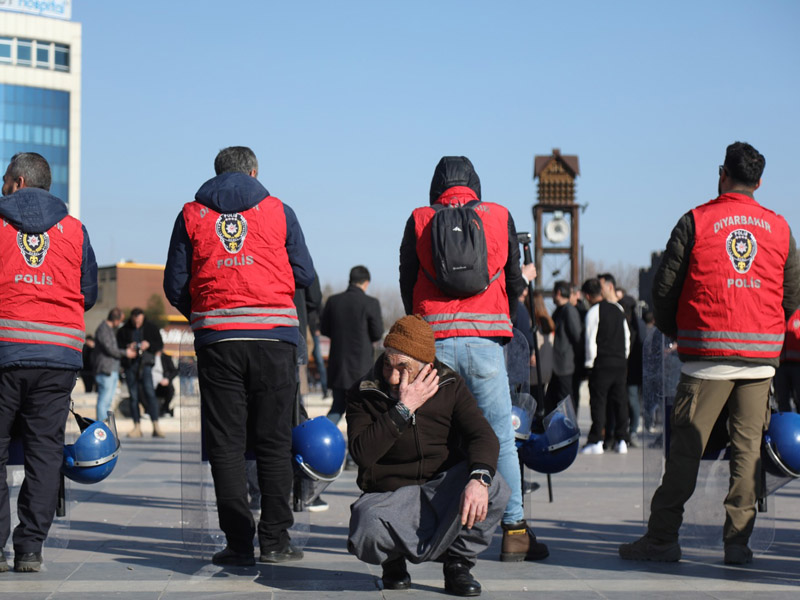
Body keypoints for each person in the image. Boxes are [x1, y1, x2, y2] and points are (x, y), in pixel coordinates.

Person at [619, 141, 800, 565]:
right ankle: (737, 543)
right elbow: (792, 292)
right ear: (759, 182)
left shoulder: (696, 220)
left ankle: (662, 537)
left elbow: (664, 287)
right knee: (747, 452)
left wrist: (675, 329)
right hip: (760, 362)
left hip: (707, 356)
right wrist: (768, 326)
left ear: (722, 174)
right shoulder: (779, 228)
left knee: (686, 450)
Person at [164, 145, 315, 566]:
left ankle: (238, 542)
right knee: (274, 441)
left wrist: (207, 312)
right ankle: (276, 540)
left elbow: (174, 282)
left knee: (227, 446)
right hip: (273, 339)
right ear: (254, 172)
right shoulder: (279, 210)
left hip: (218, 343)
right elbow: (304, 273)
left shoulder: (192, 214)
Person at [399, 155, 547, 562]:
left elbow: (406, 278)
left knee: (436, 438)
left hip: (436, 343)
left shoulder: (419, 219)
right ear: (475, 185)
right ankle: (515, 530)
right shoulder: (499, 216)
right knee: (499, 437)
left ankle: (432, 527)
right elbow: (515, 281)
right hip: (485, 344)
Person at [347, 315, 510, 596]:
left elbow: (482, 436)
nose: (394, 377)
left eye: (403, 367)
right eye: (388, 364)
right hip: (391, 496)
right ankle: (393, 561)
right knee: (366, 523)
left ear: (426, 367)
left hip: (442, 488)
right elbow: (362, 453)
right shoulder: (364, 391)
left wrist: (478, 480)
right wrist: (403, 409)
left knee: (493, 487)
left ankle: (458, 565)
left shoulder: (450, 385)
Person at [0, 152, 97, 572]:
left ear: (19, 183)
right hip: (58, 358)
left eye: (5, 180)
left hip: (4, 352)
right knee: (44, 452)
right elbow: (88, 293)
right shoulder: (75, 230)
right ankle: (30, 549)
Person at [320, 265, 383, 425]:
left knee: (337, 407)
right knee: (363, 413)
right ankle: (354, 451)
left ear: (350, 280)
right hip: (361, 370)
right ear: (366, 283)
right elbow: (377, 333)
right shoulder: (371, 303)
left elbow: (325, 329)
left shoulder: (333, 301)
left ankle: (319, 440)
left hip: (338, 368)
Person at [579, 276, 630, 455]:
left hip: (602, 363)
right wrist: (624, 357)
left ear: (587, 295)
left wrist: (589, 364)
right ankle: (622, 439)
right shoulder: (618, 309)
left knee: (599, 402)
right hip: (620, 362)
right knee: (620, 402)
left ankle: (596, 440)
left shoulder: (594, 312)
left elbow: (590, 340)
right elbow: (627, 337)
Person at [117, 308, 164, 438]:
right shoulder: (124, 330)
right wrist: (128, 346)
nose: (137, 322)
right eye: (135, 319)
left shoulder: (151, 328)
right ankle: (137, 426)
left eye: (139, 319)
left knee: (150, 393)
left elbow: (159, 344)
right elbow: (118, 346)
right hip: (130, 365)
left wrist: (148, 345)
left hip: (146, 365)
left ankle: (156, 425)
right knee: (133, 396)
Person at [544, 281, 582, 415]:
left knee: (565, 403)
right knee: (551, 403)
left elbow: (577, 336)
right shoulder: (559, 311)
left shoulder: (569, 311)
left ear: (558, 293)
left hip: (565, 366)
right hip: (557, 366)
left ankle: (570, 433)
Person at [94, 308, 134, 422]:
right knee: (104, 400)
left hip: (112, 370)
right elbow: (110, 349)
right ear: (115, 319)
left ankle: (104, 424)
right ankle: (101, 426)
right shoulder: (103, 329)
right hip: (106, 370)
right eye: (120, 320)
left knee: (108, 400)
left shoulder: (110, 330)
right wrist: (125, 352)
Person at [774, 308, 800, 412]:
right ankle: (784, 426)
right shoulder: (779, 311)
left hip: (798, 365)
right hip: (780, 365)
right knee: (782, 400)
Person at [152, 351, 178, 417]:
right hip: (150, 382)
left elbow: (174, 371)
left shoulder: (166, 357)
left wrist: (167, 379)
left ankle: (165, 409)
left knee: (170, 390)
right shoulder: (148, 356)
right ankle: (148, 411)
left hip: (162, 383)